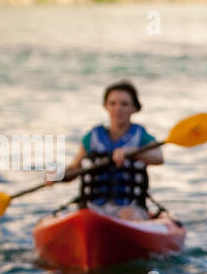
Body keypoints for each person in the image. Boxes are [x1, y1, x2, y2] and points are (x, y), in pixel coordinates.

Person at [58, 80, 164, 220]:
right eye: (112, 103)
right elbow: (74, 169)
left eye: (124, 104)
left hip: (130, 206)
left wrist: (133, 153)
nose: (118, 109)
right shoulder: (91, 138)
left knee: (129, 215)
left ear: (134, 108)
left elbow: (158, 157)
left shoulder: (141, 137)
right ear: (106, 106)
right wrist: (57, 175)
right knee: (84, 217)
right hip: (93, 207)